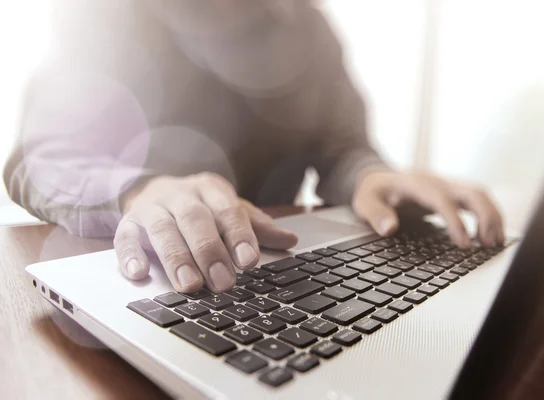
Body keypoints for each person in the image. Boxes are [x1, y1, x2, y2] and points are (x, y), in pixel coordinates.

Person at [3, 1, 503, 294]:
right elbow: (39, 156)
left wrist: (371, 177)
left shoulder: (307, 24)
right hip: (148, 277)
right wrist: (138, 190)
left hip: (281, 278)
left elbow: (340, 145)